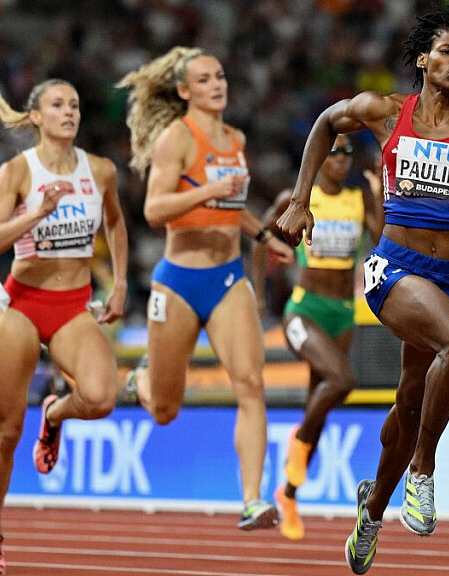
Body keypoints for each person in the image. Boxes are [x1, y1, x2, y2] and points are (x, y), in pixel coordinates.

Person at [276, 8, 449, 574]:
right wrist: (300, 199)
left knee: (409, 404)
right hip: (396, 269)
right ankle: (423, 471)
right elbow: (326, 123)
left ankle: (373, 510)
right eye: (448, 51)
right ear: (424, 60)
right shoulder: (385, 112)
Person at [116, 46, 295, 531]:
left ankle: (253, 499)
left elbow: (232, 207)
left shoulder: (236, 138)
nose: (217, 85)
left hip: (228, 278)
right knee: (165, 410)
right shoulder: (177, 138)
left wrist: (265, 238)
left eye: (220, 76)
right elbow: (154, 210)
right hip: (178, 282)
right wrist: (207, 192)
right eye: (204, 80)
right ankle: (141, 381)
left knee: (251, 384)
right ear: (183, 91)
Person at [0, 79, 128, 575]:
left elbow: (115, 222)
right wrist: (37, 212)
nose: (70, 112)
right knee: (6, 432)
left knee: (101, 398)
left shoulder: (100, 170)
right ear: (37, 117)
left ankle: (55, 414)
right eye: (58, 105)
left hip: (72, 306)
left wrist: (121, 282)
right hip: (21, 304)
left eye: (75, 105)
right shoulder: (17, 171)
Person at [254, 134, 384, 541]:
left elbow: (382, 239)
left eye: (348, 152)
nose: (342, 158)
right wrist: (259, 294)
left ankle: (289, 493)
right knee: (342, 380)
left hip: (342, 314)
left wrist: (379, 194)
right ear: (319, 157)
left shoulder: (358, 200)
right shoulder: (298, 199)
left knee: (321, 403)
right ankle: (297, 446)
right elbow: (260, 236)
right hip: (304, 310)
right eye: (334, 151)